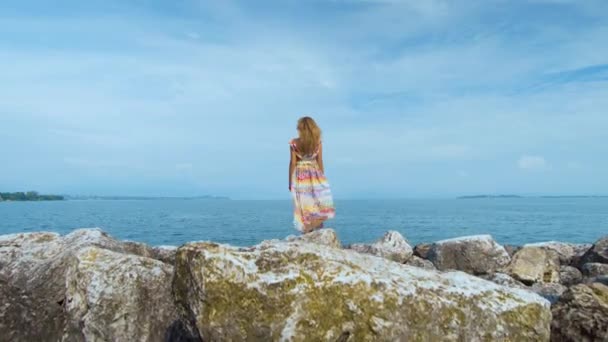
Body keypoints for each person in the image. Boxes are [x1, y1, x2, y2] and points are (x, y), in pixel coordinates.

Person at [289, 116, 336, 233]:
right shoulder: (317, 142)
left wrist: (290, 182)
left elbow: (293, 163)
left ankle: (306, 230)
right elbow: (320, 161)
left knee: (304, 203)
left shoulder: (294, 143)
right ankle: (315, 229)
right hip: (315, 174)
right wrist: (322, 178)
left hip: (300, 176)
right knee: (318, 202)